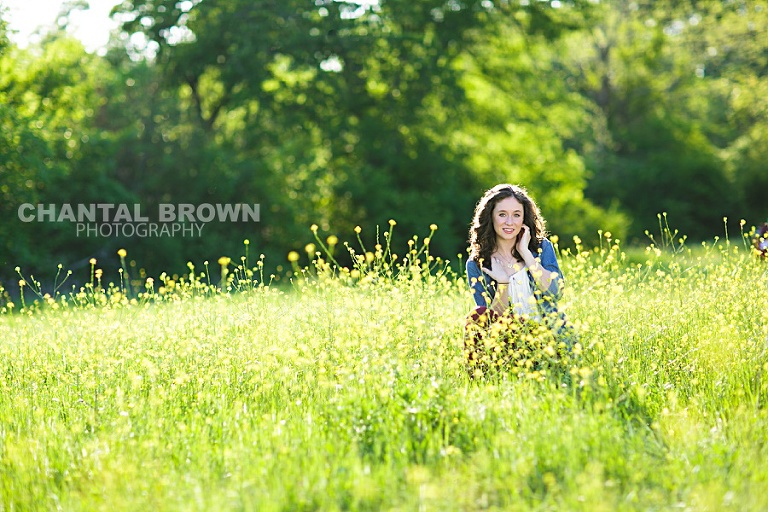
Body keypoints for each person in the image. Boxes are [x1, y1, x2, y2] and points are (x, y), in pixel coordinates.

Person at [464, 184, 572, 375]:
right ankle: (481, 379)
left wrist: (526, 254)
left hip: (547, 335)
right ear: (490, 216)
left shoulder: (541, 248)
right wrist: (503, 283)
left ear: (524, 218)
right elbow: (491, 320)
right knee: (478, 315)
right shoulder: (477, 263)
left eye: (516, 215)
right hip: (510, 339)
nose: (510, 222)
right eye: (502, 214)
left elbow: (555, 293)